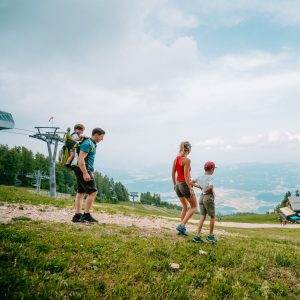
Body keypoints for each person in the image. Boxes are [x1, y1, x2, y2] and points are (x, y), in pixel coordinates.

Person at [72, 127, 105, 223]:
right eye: (101, 136)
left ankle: (77, 216)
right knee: (93, 192)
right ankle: (86, 215)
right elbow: (81, 159)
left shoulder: (90, 143)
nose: (102, 139)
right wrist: (86, 173)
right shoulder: (88, 144)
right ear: (96, 135)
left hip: (80, 169)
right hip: (83, 169)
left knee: (81, 192)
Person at [172, 141, 197, 236]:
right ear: (189, 149)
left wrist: (174, 184)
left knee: (185, 206)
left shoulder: (176, 159)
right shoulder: (187, 160)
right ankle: (182, 226)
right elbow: (186, 176)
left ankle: (181, 229)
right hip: (184, 185)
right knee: (194, 206)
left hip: (178, 184)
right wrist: (190, 188)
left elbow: (173, 173)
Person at [192, 161, 218, 243]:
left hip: (201, 197)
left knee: (203, 215)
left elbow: (190, 182)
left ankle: (197, 236)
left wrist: (200, 188)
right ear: (212, 169)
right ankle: (210, 236)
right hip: (208, 197)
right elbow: (210, 187)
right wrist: (206, 191)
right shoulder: (211, 177)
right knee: (212, 216)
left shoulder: (200, 177)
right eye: (214, 169)